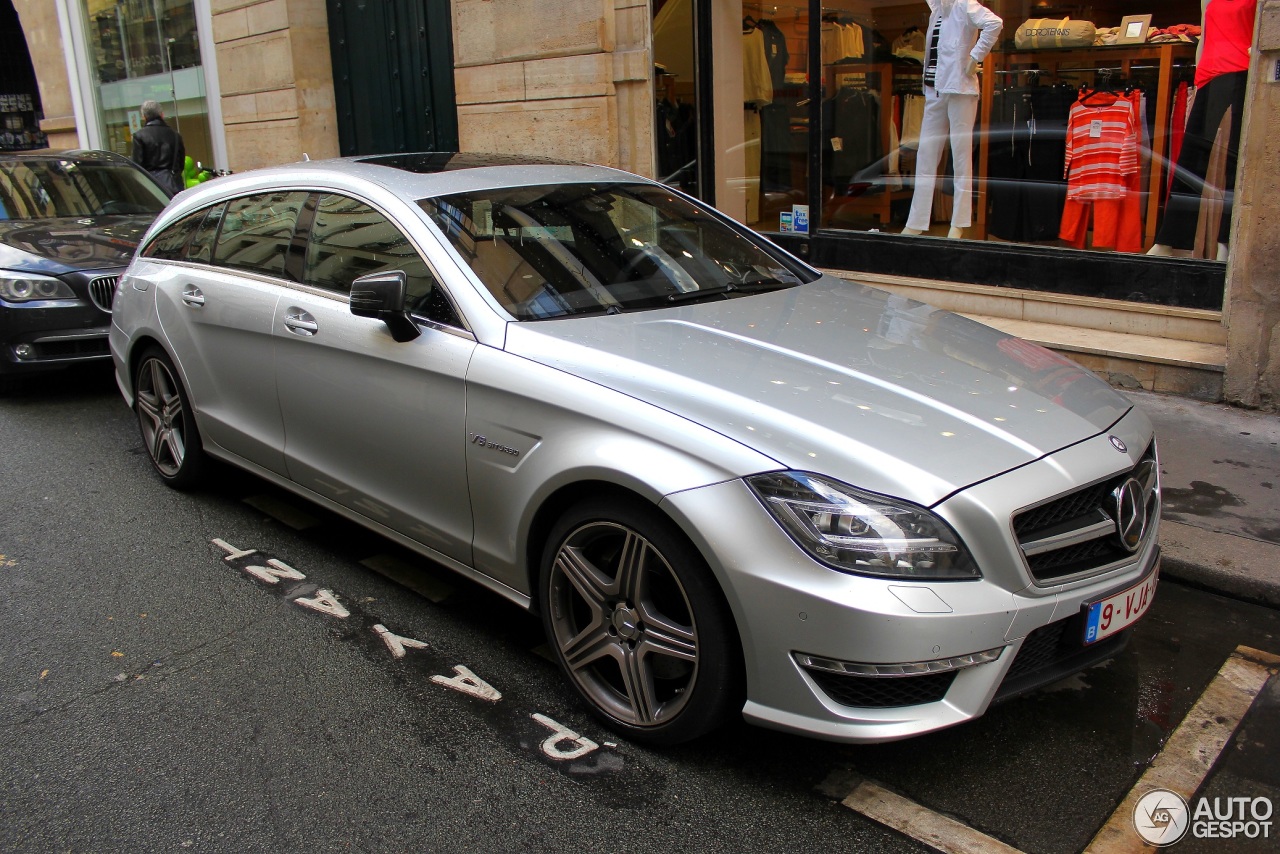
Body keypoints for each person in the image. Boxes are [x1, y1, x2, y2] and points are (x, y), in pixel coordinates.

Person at [1149, 0, 1256, 261]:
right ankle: (1169, 240)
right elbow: (1206, 36)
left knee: (1232, 162)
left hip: (1242, 73)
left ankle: (1226, 242)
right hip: (1209, 76)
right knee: (1191, 160)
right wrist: (1199, 73)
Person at [901, 0, 1002, 239]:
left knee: (961, 156)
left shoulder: (965, 5)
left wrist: (975, 56)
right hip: (934, 89)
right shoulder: (936, 12)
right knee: (926, 154)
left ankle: (959, 222)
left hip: (959, 89)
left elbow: (994, 23)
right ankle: (915, 221)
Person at [132, 100, 185, 197]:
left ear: (144, 117)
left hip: (151, 188)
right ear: (162, 114)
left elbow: (137, 167)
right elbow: (181, 163)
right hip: (174, 186)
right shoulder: (175, 135)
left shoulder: (139, 136)